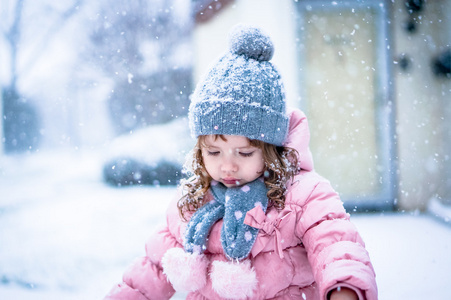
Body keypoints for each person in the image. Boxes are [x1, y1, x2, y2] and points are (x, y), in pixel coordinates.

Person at [104, 24, 377, 300]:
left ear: (271, 148)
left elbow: (335, 242)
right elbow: (153, 271)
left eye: (244, 153)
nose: (228, 166)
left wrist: (344, 287)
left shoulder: (301, 195)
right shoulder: (194, 201)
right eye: (213, 152)